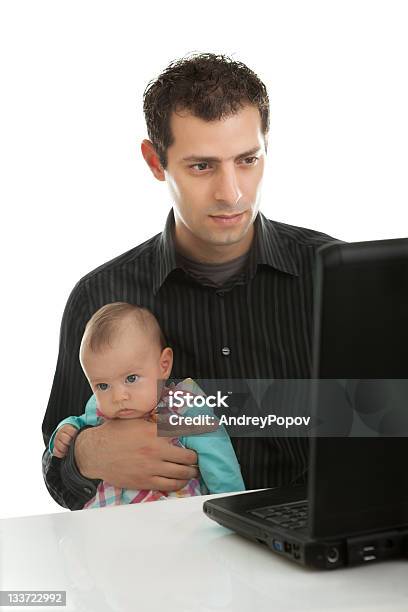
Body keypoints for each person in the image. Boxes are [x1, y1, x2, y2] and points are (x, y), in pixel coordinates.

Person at [42, 52, 336, 510]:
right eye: (202, 166)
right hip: (164, 564)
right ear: (155, 161)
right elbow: (57, 470)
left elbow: (389, 420)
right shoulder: (98, 297)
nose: (231, 192)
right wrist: (86, 453)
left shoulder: (334, 272)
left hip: (316, 541)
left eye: (247, 160)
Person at [49, 302, 244, 507]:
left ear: (164, 366)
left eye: (131, 378)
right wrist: (65, 431)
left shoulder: (182, 408)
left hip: (176, 519)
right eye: (103, 385)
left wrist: (232, 507)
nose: (118, 396)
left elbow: (219, 462)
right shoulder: (97, 410)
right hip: (110, 524)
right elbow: (76, 424)